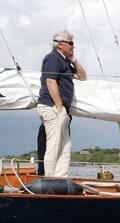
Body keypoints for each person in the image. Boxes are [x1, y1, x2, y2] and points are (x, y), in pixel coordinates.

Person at [37, 30, 87, 177]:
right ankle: (50, 179)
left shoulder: (64, 62)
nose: (73, 46)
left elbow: (83, 77)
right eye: (71, 43)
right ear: (60, 44)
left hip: (61, 110)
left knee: (65, 147)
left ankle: (60, 178)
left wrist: (74, 60)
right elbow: (50, 81)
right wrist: (59, 107)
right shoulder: (52, 58)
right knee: (54, 146)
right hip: (53, 107)